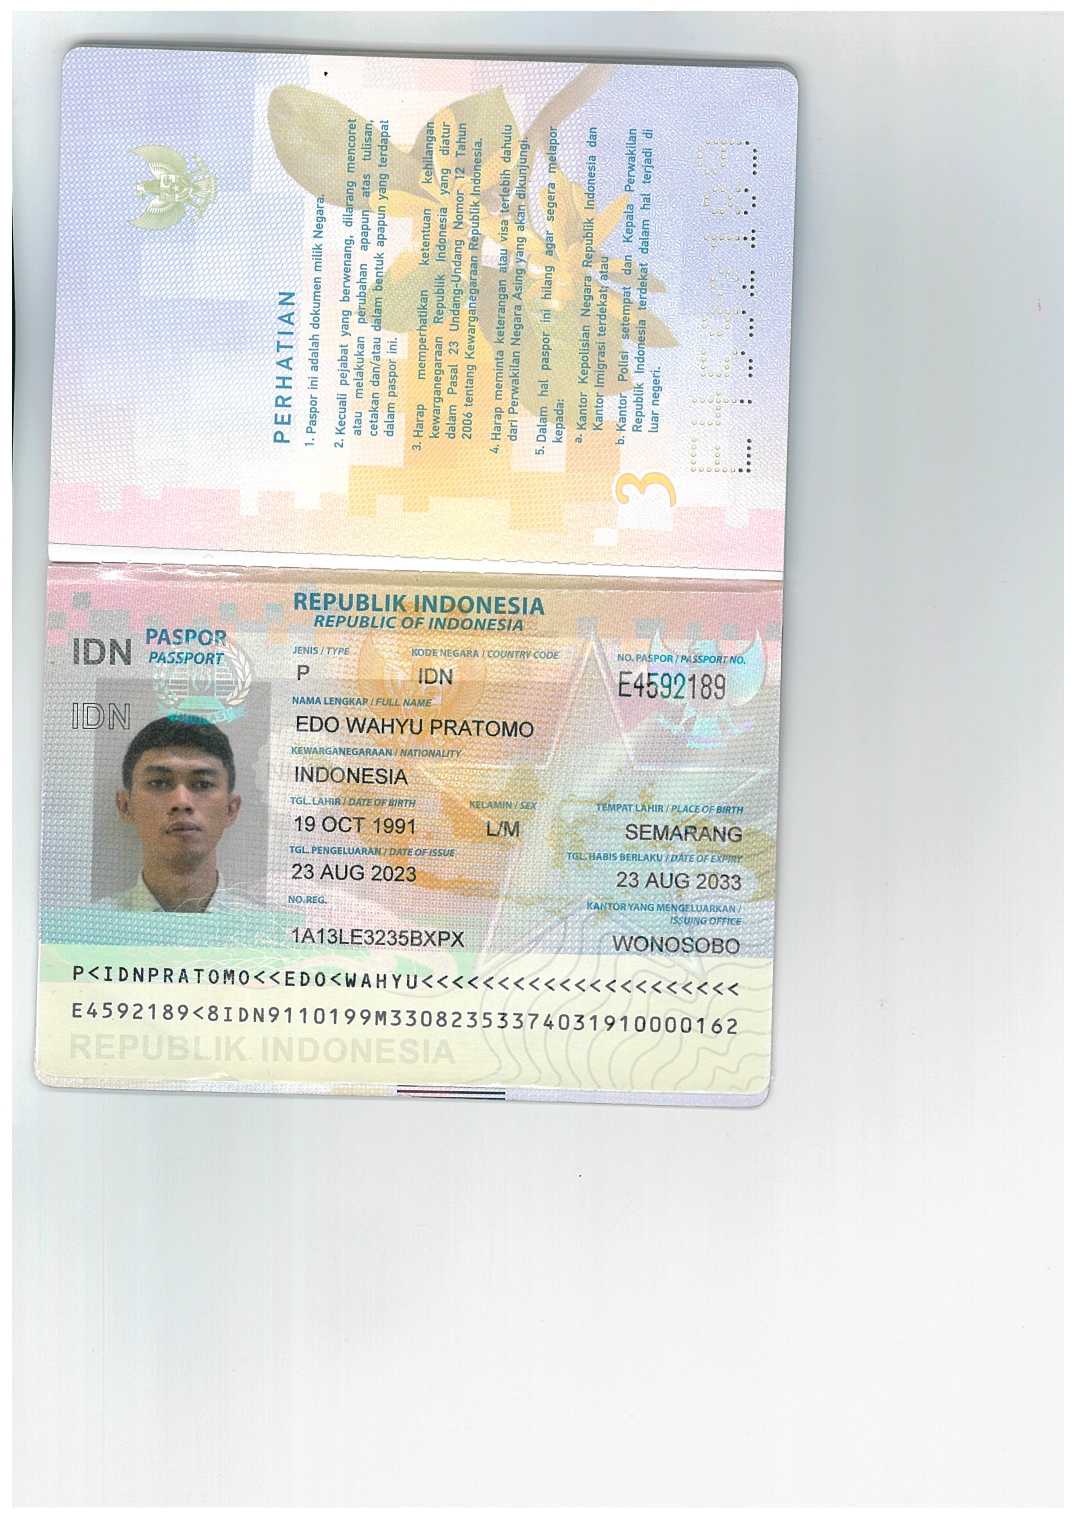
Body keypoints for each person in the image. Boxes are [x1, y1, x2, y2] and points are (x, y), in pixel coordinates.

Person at [105, 717, 251, 912]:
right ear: (125, 806)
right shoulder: (90, 926)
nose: (181, 802)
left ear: (230, 809)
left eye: (203, 784)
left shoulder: (267, 928)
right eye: (158, 783)